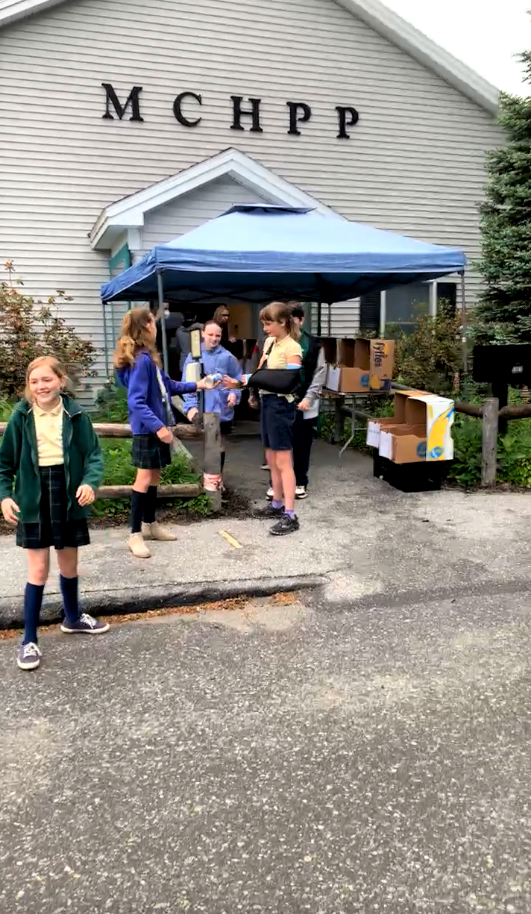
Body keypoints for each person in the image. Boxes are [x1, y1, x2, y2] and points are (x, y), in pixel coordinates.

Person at [0, 356, 110, 672]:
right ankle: (29, 640)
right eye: (34, 382)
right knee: (37, 570)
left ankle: (73, 617)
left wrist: (89, 482)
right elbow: (4, 465)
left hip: (67, 495)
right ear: (28, 386)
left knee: (69, 563)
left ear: (61, 381)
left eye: (47, 380)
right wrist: (5, 497)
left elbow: (93, 456)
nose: (40, 386)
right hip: (32, 499)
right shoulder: (21, 417)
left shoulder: (76, 415)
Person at [114, 308, 214, 559]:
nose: (157, 327)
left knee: (154, 477)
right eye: (155, 323)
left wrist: (198, 384)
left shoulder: (149, 358)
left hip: (154, 429)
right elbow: (136, 402)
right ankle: (135, 534)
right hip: (148, 431)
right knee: (143, 479)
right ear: (147, 326)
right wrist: (159, 428)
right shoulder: (141, 360)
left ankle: (150, 525)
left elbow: (167, 386)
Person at [227, 301, 302, 536]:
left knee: (283, 460)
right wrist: (244, 384)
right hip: (268, 403)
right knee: (271, 457)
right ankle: (277, 504)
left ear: (283, 322)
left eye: (268, 323)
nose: (265, 328)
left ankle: (290, 514)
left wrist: (252, 379)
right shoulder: (270, 343)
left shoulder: (293, 348)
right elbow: (260, 374)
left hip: (281, 405)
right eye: (263, 323)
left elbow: (287, 381)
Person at [266, 304, 325, 500]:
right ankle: (276, 484)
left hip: (303, 401)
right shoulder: (275, 342)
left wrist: (309, 398)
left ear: (300, 320)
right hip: (280, 401)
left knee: (301, 442)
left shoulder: (314, 345)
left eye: (293, 320)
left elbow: (319, 374)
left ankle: (300, 481)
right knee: (278, 445)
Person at [182, 320, 242, 486]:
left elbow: (237, 379)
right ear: (203, 334)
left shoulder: (228, 357)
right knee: (206, 443)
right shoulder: (193, 357)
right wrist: (190, 407)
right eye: (210, 335)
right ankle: (206, 478)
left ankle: (216, 479)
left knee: (218, 443)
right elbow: (186, 384)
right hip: (201, 408)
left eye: (218, 335)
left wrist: (233, 394)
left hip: (220, 409)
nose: (214, 339)